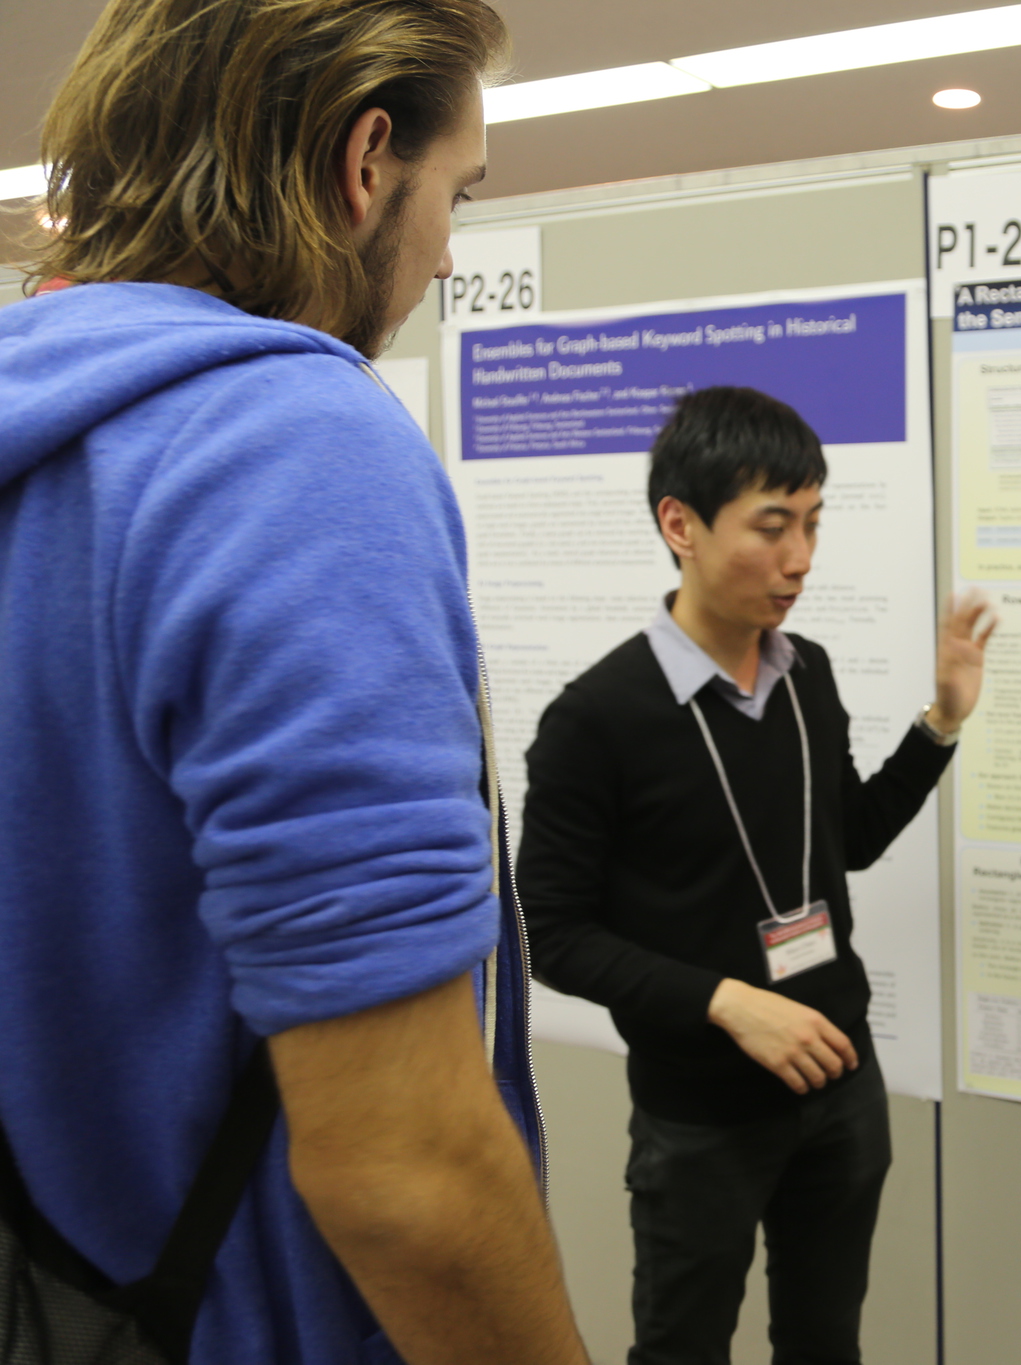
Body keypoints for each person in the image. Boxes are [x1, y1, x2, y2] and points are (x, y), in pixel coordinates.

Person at [0, 2, 590, 1363]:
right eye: (456, 194)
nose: (446, 254)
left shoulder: (44, 432)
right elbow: (406, 1172)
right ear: (362, 162)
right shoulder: (290, 446)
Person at [518, 385, 995, 1365]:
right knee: (682, 1348)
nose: (801, 558)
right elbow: (551, 935)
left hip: (839, 1085)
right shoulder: (595, 718)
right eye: (773, 527)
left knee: (825, 1344)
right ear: (680, 526)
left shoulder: (804, 670)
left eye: (813, 524)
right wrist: (726, 1002)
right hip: (701, 1117)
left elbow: (848, 839)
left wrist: (942, 720)